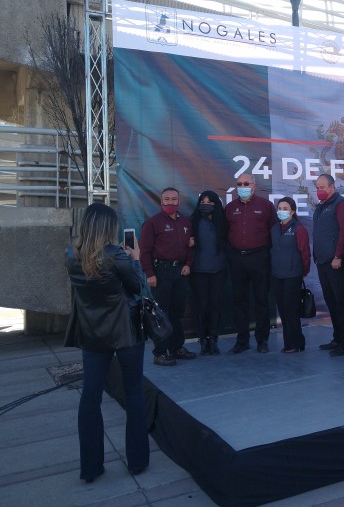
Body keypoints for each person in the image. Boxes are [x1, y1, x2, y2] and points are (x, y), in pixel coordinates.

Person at [65, 203, 149, 482]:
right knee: (134, 394)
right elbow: (139, 287)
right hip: (126, 332)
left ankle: (90, 467)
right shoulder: (116, 256)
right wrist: (136, 258)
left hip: (92, 335)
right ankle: (137, 461)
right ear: (108, 227)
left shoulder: (70, 255)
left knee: (91, 397)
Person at [140, 187, 196, 366]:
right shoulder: (152, 223)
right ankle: (160, 352)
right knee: (161, 315)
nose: (171, 202)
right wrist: (150, 273)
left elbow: (189, 247)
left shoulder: (186, 222)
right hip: (160, 273)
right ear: (161, 201)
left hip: (180, 272)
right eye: (167, 199)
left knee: (177, 313)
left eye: (174, 199)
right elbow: (144, 251)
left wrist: (188, 264)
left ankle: (177, 348)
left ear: (178, 201)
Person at [225, 173, 278, 354]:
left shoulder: (266, 206)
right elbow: (225, 232)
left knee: (261, 300)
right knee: (240, 301)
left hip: (259, 258)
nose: (243, 186)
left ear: (254, 186)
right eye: (239, 184)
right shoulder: (230, 208)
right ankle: (242, 340)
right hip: (237, 259)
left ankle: (262, 340)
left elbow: (274, 231)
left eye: (246, 183)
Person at [313, 174, 344, 356]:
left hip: (338, 262)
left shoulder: (342, 205)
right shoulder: (321, 207)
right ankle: (338, 338)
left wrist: (338, 255)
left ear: (332, 187)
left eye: (322, 187)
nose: (319, 191)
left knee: (342, 303)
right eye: (317, 187)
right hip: (323, 262)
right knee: (332, 302)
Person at [189, 190, 228, 356]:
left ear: (216, 204)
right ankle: (203, 340)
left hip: (219, 270)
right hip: (198, 270)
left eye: (210, 201)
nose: (206, 204)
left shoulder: (223, 222)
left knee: (216, 305)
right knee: (201, 306)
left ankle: (213, 339)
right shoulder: (193, 221)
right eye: (203, 201)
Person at [271, 197, 311, 353]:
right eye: (279, 208)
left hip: (293, 274)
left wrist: (303, 271)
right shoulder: (274, 228)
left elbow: (305, 253)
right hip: (277, 274)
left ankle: (296, 342)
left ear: (292, 211)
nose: (281, 211)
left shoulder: (298, 229)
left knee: (291, 309)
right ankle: (288, 342)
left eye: (285, 208)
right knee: (282, 309)